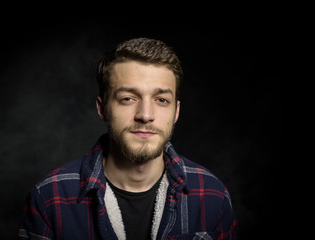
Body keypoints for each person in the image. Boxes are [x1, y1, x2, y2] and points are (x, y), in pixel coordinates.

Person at [18, 37, 239, 240]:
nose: (145, 115)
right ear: (102, 108)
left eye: (161, 100)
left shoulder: (213, 196)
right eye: (128, 98)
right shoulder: (48, 198)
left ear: (176, 112)